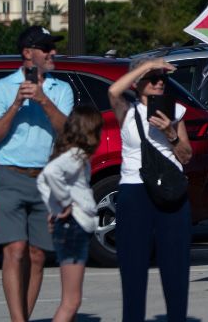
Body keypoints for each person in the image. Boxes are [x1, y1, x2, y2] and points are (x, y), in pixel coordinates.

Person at [0, 26, 74, 322]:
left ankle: (24, 315)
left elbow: (67, 133)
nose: (53, 53)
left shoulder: (61, 89)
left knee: (37, 255)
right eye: (46, 48)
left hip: (45, 178)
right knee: (16, 249)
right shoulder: (1, 87)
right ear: (27, 53)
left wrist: (42, 100)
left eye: (53, 48)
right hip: (8, 175)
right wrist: (16, 104)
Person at [108, 57, 193, 322]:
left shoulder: (175, 111)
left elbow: (186, 156)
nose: (159, 83)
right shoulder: (127, 110)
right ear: (138, 83)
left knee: (175, 267)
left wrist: (170, 132)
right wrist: (148, 65)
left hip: (171, 192)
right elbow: (112, 90)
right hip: (134, 191)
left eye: (162, 79)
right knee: (133, 268)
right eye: (153, 79)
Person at [36, 105, 104, 322]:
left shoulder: (67, 153)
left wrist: (55, 208)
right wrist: (64, 204)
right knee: (71, 302)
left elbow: (42, 180)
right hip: (74, 227)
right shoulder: (76, 155)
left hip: (69, 227)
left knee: (70, 302)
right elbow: (49, 173)